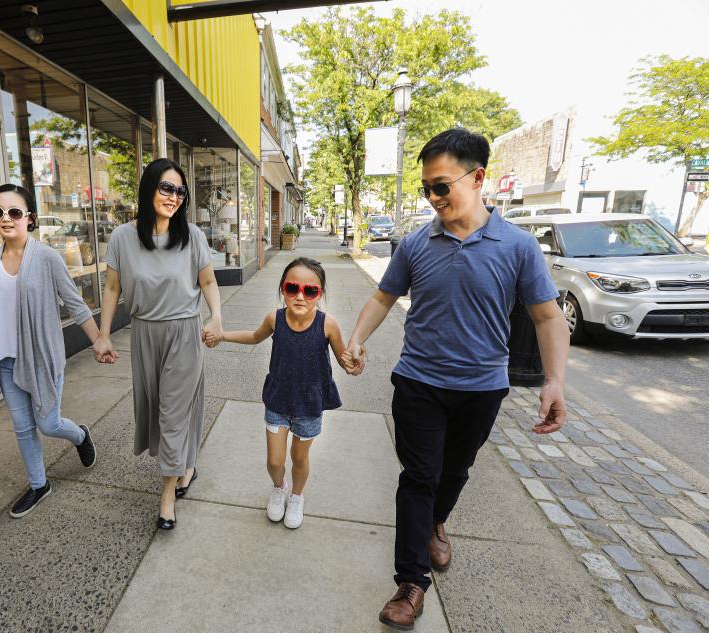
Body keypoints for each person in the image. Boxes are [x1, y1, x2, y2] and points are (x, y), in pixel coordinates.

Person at [343, 128, 570, 630]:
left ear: (479, 178)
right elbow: (383, 297)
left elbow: (549, 318)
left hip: (482, 387)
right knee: (417, 476)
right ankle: (411, 580)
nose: (432, 197)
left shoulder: (517, 247)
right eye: (427, 188)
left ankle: (436, 523)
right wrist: (357, 339)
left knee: (455, 471)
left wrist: (555, 381)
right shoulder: (415, 244)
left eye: (441, 186)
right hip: (418, 382)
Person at [92, 158, 223, 531]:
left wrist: (216, 317)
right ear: (149, 188)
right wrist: (102, 335)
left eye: (180, 191)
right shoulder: (122, 237)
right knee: (154, 408)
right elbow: (113, 289)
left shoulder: (193, 236)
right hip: (145, 332)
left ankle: (167, 497)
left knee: (172, 411)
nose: (174, 197)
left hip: (184, 330)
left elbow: (209, 283)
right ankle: (187, 464)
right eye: (167, 188)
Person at [0, 184, 110, 519]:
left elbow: (75, 305)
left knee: (48, 424)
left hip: (40, 359)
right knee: (23, 427)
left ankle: (80, 435)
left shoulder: (47, 258)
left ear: (29, 218)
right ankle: (38, 484)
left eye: (14, 212)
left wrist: (98, 341)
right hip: (4, 361)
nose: (6, 219)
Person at [206, 257, 344, 529]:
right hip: (278, 400)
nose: (300, 296)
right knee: (275, 460)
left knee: (300, 458)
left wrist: (355, 360)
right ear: (283, 289)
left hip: (309, 404)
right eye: (293, 288)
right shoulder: (275, 318)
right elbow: (254, 337)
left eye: (310, 291)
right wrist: (223, 335)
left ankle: (296, 496)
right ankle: (279, 487)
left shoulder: (328, 325)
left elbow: (345, 358)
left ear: (320, 294)